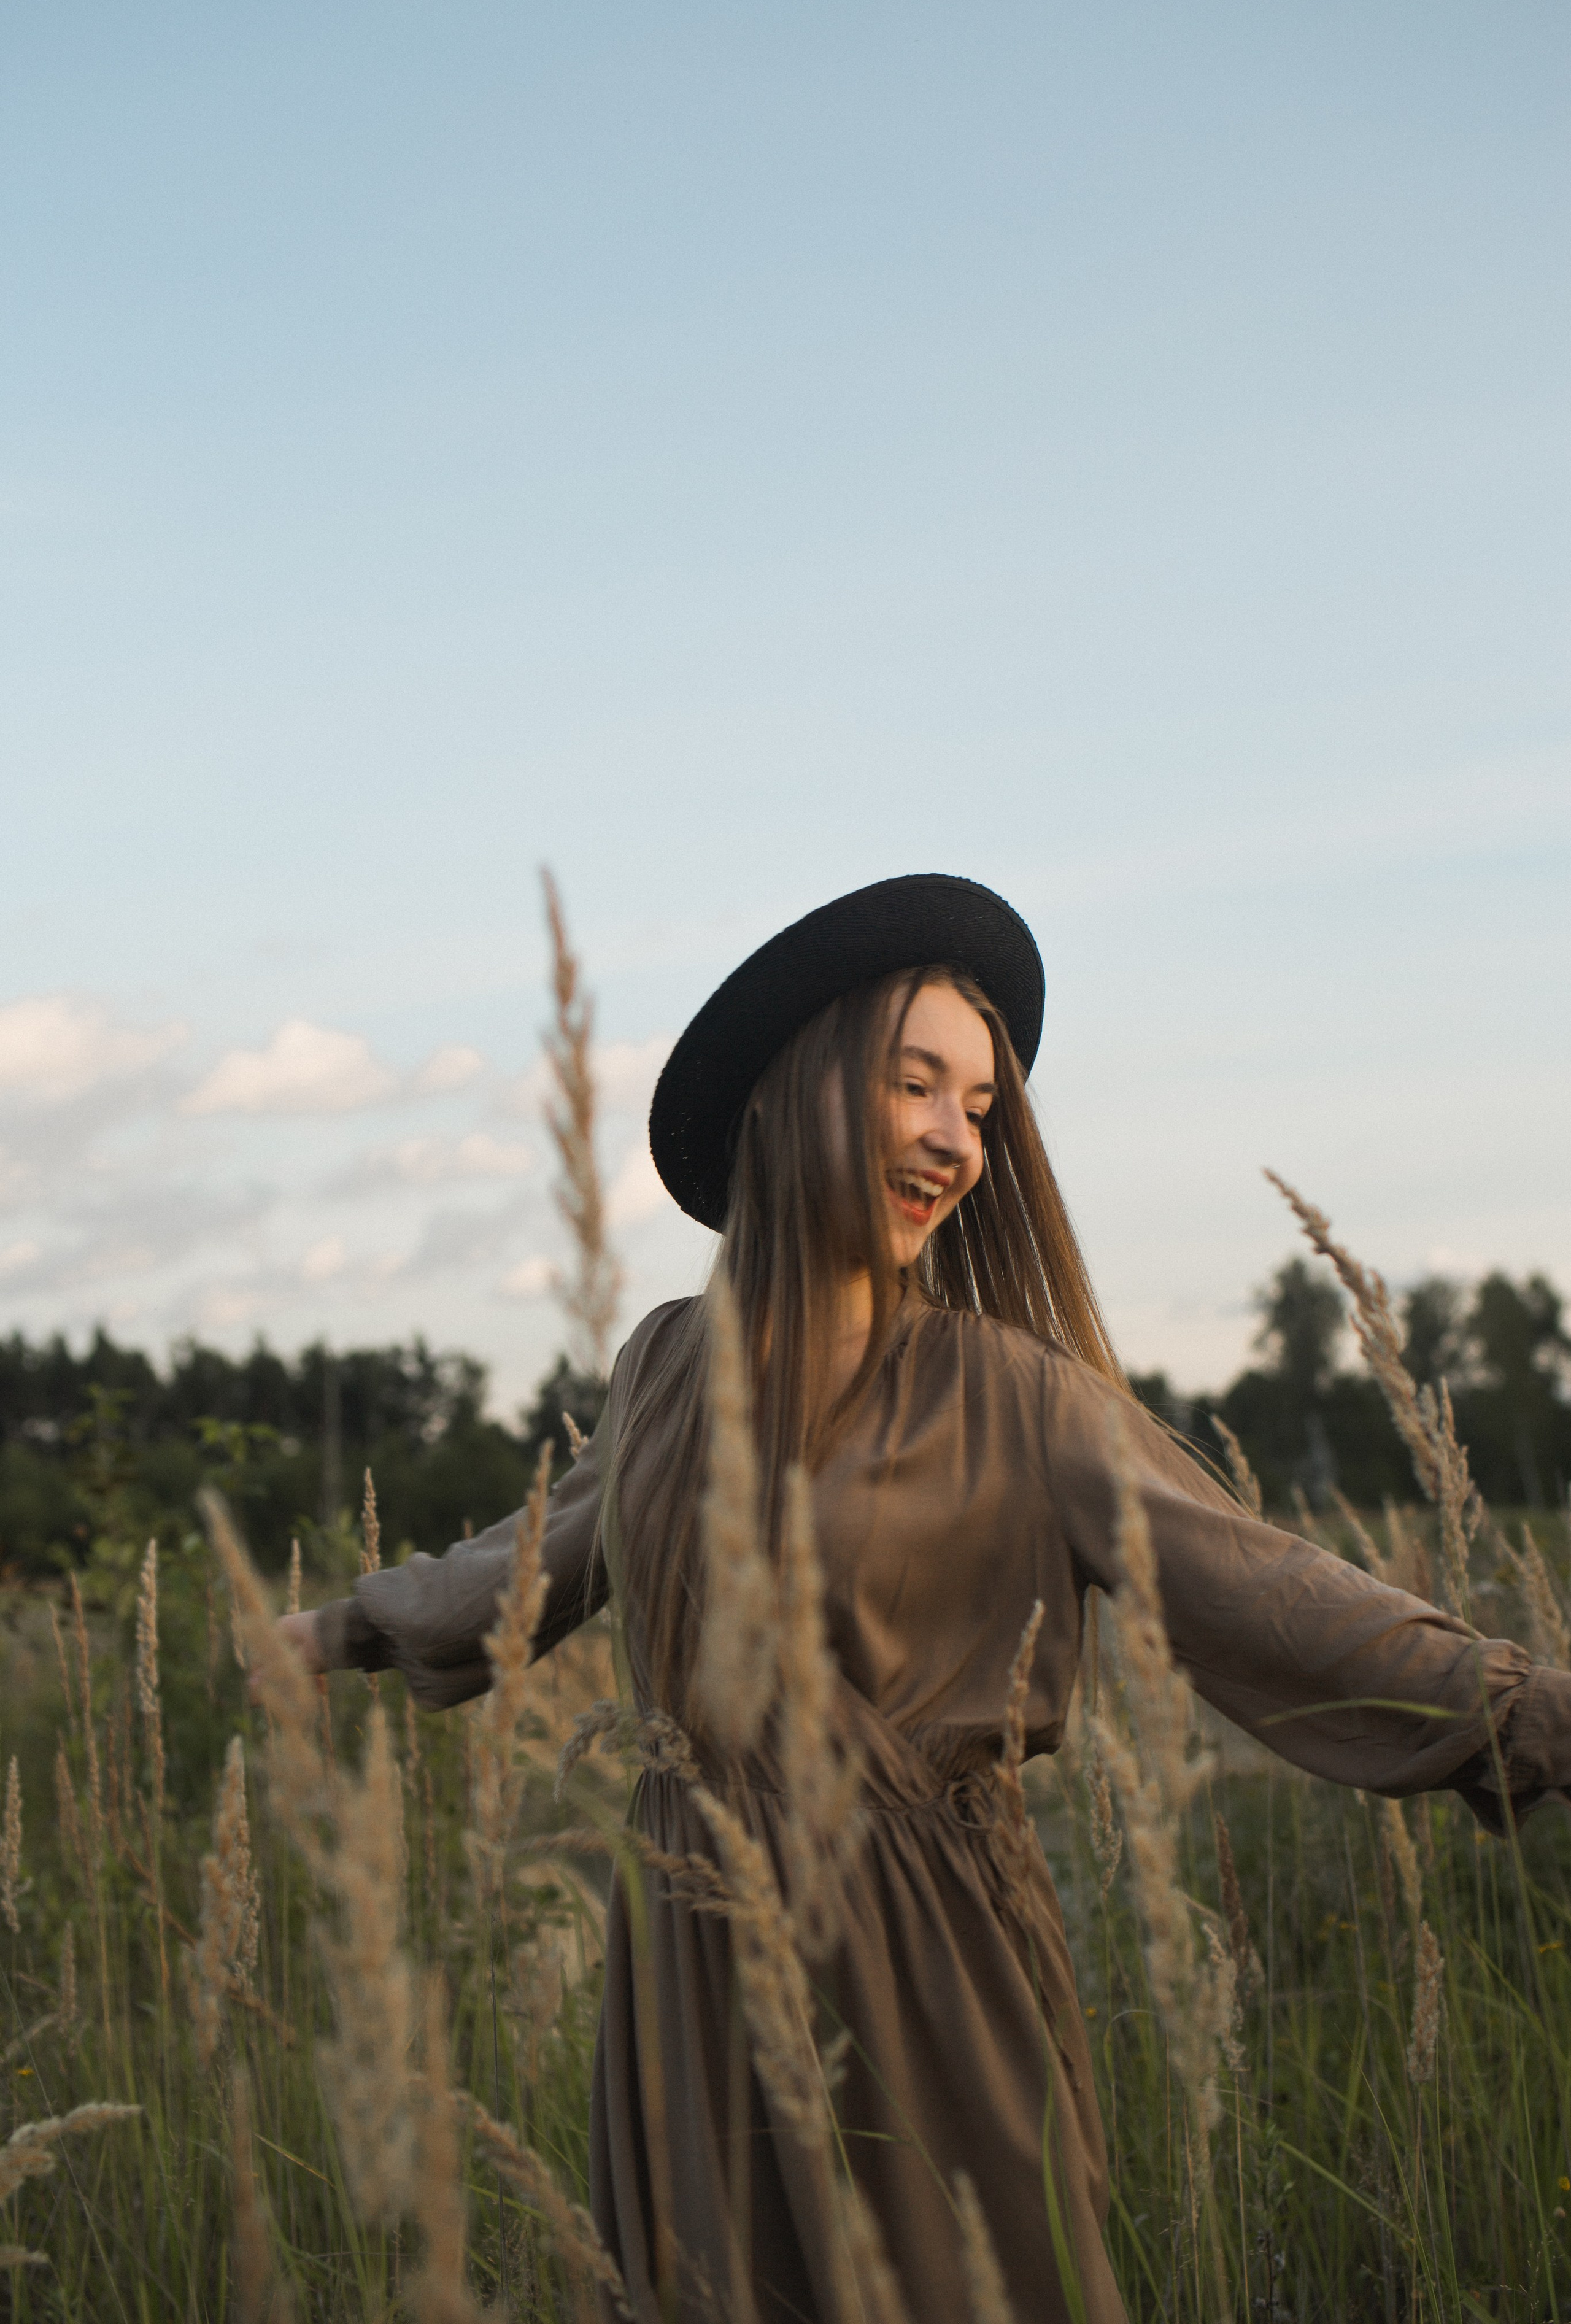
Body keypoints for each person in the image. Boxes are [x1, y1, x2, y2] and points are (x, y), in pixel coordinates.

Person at [282, 874, 1571, 2323]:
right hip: (690, 1955)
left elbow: (1278, 1599)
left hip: (924, 1964)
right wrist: (333, 1632)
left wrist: (1534, 1717)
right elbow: (528, 1566)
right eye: (916, 1085)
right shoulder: (660, 1364)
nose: (956, 1140)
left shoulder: (1013, 1397)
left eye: (980, 1109)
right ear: (790, 1093)